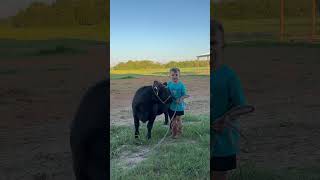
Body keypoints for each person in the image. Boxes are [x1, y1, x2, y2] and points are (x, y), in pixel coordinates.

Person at [210, 20, 246, 180]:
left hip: (222, 143)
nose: (209, 47)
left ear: (222, 45)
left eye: (213, 42)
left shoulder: (229, 76)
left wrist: (226, 118)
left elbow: (242, 106)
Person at [167, 67, 189, 138]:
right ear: (170, 76)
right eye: (172, 75)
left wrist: (180, 99)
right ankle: (173, 132)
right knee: (172, 120)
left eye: (176, 75)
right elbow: (166, 92)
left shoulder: (181, 85)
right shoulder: (169, 84)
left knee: (178, 119)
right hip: (171, 106)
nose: (174, 77)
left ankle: (179, 132)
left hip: (179, 106)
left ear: (179, 75)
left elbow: (185, 95)